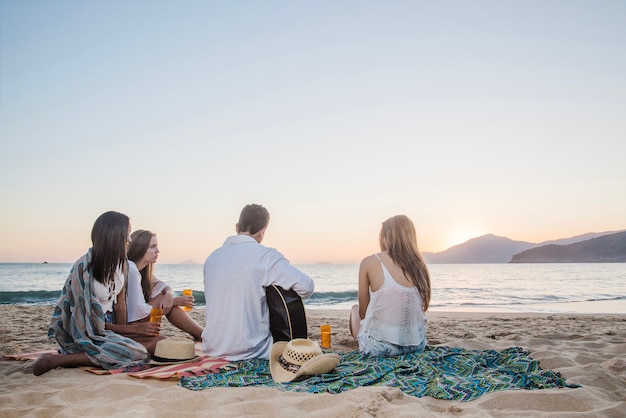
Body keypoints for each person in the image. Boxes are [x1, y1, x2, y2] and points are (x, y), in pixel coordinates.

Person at [32, 211, 161, 376]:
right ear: (114, 235)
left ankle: (102, 351)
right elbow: (83, 323)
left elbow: (120, 306)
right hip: (85, 331)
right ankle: (56, 360)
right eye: (127, 234)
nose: (130, 240)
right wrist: (135, 330)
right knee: (137, 353)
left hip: (111, 328)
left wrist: (128, 334)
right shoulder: (84, 269)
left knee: (160, 342)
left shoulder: (122, 264)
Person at [202, 204, 315, 360]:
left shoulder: (212, 258)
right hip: (252, 352)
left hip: (212, 349)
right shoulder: (266, 256)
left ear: (237, 227)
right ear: (262, 232)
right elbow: (306, 287)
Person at [349, 215, 431, 357]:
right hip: (417, 346)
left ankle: (362, 341)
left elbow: (363, 313)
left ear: (386, 236)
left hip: (379, 348)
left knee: (355, 310)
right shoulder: (419, 265)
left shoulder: (369, 262)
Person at [126, 229, 203, 341]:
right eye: (152, 247)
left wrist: (168, 294)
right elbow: (139, 312)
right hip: (131, 327)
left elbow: (163, 286)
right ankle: (203, 335)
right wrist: (174, 301)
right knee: (165, 302)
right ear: (140, 248)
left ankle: (202, 334)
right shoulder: (131, 269)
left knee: (165, 299)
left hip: (138, 322)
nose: (158, 251)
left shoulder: (142, 271)